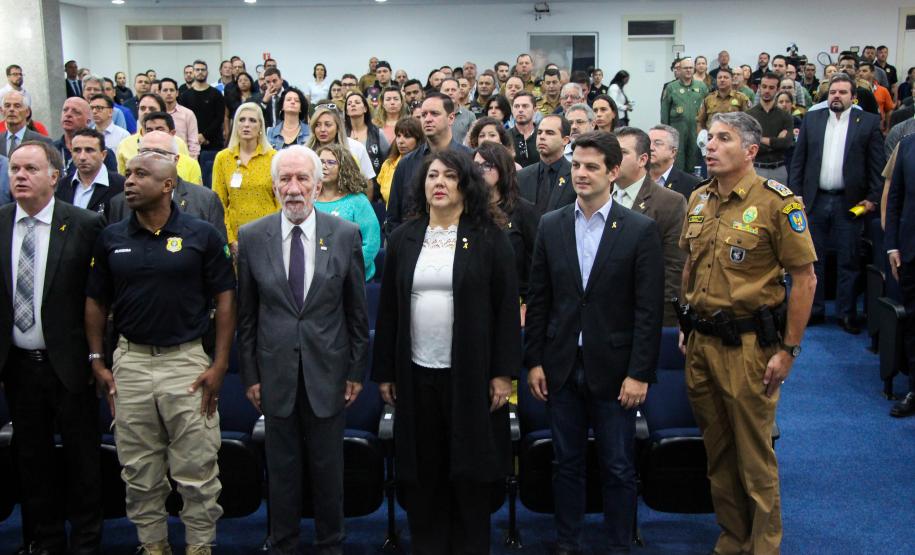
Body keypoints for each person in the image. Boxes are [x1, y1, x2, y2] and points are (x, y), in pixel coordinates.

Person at [679, 111, 817, 555]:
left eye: (724, 139)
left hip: (750, 347)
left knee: (754, 457)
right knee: (717, 453)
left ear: (751, 151)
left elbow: (805, 278)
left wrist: (790, 350)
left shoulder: (778, 203)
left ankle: (763, 546)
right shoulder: (699, 199)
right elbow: (690, 264)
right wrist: (687, 320)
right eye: (709, 138)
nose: (710, 146)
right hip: (701, 344)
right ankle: (732, 537)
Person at [85, 148, 236, 555]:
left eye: (140, 175)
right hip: (130, 363)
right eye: (128, 174)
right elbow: (96, 301)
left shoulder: (201, 234)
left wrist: (220, 363)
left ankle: (199, 547)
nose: (129, 181)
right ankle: (153, 547)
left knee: (197, 469)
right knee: (139, 471)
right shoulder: (111, 236)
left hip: (186, 363)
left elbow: (225, 298)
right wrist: (97, 360)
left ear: (168, 185)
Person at [373, 148, 520, 553]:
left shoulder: (489, 237)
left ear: (465, 185)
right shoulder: (404, 236)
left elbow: (507, 308)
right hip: (416, 374)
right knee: (424, 473)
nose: (439, 183)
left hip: (471, 377)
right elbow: (388, 310)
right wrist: (385, 371)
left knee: (469, 471)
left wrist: (503, 373)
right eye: (432, 176)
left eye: (449, 176)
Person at [525, 131, 664, 554]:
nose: (581, 174)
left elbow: (648, 311)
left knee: (618, 467)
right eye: (576, 166)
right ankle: (568, 543)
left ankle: (618, 544)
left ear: (614, 172)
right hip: (561, 365)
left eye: (591, 167)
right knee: (565, 464)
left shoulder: (640, 230)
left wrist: (640, 373)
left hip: (617, 369)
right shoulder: (551, 225)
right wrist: (534, 362)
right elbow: (540, 298)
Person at [235, 144, 367, 555]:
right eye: (285, 180)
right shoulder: (252, 236)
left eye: (302, 179)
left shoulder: (344, 234)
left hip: (329, 374)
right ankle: (283, 542)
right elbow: (247, 318)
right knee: (282, 471)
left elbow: (357, 313)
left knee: (329, 471)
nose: (294, 189)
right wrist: (252, 376)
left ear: (318, 182)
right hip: (274, 376)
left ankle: (332, 544)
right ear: (274, 187)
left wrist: (355, 372)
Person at [1, 141, 104, 555]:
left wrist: (99, 358)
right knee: (32, 459)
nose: (20, 176)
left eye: (30, 169)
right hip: (18, 366)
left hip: (71, 365)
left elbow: (99, 299)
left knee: (83, 461)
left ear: (53, 176)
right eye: (14, 169)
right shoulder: (1, 222)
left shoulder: (83, 224)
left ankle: (86, 542)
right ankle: (44, 540)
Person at [789, 73, 885, 330]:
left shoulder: (868, 123)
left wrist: (873, 199)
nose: (836, 96)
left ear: (853, 97)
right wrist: (796, 194)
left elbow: (878, 167)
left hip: (850, 203)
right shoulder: (812, 119)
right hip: (815, 200)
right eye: (833, 92)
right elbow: (798, 162)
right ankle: (815, 310)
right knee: (813, 260)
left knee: (849, 260)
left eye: (843, 92)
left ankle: (845, 312)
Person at [613, 126, 687, 325]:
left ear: (642, 159)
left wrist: (658, 321)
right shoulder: (598, 197)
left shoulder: (670, 202)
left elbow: (674, 269)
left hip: (645, 317)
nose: (613, 158)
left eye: (622, 153)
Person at [107, 131, 226, 240]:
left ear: (176, 159)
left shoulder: (205, 200)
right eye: (144, 152)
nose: (150, 159)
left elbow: (219, 254)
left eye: (159, 153)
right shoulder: (119, 203)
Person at [384, 92, 472, 234]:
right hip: (413, 245)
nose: (428, 119)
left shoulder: (470, 159)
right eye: (424, 115)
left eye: (434, 114)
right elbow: (394, 216)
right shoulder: (406, 163)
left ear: (451, 118)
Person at [474, 141, 537, 303]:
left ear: (502, 168)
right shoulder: (468, 209)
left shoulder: (524, 210)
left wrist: (527, 304)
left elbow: (536, 264)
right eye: (476, 166)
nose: (480, 171)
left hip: (515, 301)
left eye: (487, 165)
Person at [213, 102, 278, 254]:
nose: (246, 125)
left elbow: (280, 201)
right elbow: (218, 203)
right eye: (241, 120)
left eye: (252, 120)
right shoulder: (223, 158)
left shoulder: (274, 158)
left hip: (269, 236)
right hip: (235, 237)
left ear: (260, 126)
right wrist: (230, 240)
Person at [315, 143, 381, 280]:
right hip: (315, 280)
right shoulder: (309, 200)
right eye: (321, 162)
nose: (324, 166)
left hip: (352, 280)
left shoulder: (358, 201)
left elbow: (372, 241)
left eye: (331, 162)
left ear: (343, 168)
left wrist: (347, 268)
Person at [886, 132, 915, 417]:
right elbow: (894, 199)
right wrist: (892, 245)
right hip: (910, 252)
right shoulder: (907, 145)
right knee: (912, 324)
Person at [55, 127, 125, 216]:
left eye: (89, 150)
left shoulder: (120, 186)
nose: (82, 157)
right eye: (77, 150)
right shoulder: (61, 186)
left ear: (103, 155)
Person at [307, 104, 377, 189]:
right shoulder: (306, 153)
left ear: (338, 127)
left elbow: (368, 182)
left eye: (328, 125)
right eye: (317, 125)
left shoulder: (356, 148)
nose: (322, 129)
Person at [518, 114, 574, 217]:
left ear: (565, 140)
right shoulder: (521, 176)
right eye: (539, 132)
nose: (542, 137)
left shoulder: (575, 175)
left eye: (550, 133)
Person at [660, 57, 708, 171]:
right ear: (679, 70)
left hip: (696, 130)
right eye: (685, 68)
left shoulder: (701, 87)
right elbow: (664, 110)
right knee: (678, 159)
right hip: (677, 129)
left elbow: (708, 108)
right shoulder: (671, 87)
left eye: (691, 68)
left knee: (695, 157)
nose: (688, 70)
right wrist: (665, 132)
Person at [746, 72, 795, 183]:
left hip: (779, 170)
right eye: (764, 87)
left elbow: (786, 143)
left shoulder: (785, 116)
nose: (767, 90)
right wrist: (775, 141)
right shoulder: (749, 115)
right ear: (759, 88)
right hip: (755, 168)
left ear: (777, 90)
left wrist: (759, 139)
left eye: (771, 87)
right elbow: (748, 144)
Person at [180, 60, 226, 153]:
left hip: (213, 143)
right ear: (193, 72)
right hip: (191, 143)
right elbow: (183, 119)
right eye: (197, 70)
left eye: (203, 70)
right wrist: (195, 137)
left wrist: (204, 136)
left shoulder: (216, 94)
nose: (200, 72)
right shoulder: (185, 96)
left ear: (207, 72)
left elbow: (219, 118)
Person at [377, 116, 424, 206]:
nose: (400, 141)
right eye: (398, 136)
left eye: (407, 136)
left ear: (418, 139)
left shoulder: (425, 165)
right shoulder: (388, 165)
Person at [648, 124, 702, 199]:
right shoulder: (635, 178)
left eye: (657, 143)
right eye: (647, 143)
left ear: (673, 152)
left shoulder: (691, 185)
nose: (650, 148)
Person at [344, 90, 389, 177]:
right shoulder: (341, 134)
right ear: (346, 111)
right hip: (348, 183)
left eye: (357, 102)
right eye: (349, 104)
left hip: (374, 183)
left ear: (365, 108)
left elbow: (387, 160)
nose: (353, 105)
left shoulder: (378, 133)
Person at [0, 91, 53, 157]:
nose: (11, 109)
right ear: (1, 111)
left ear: (27, 112)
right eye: (7, 106)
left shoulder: (42, 142)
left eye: (17, 106)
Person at [158, 78, 200, 159]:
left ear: (177, 93)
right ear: (159, 93)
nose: (169, 93)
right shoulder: (155, 115)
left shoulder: (188, 114)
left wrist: (192, 162)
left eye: (172, 90)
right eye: (165, 90)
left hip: (183, 160)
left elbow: (193, 143)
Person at [696, 68, 750, 132]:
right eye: (719, 77)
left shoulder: (741, 98)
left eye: (726, 77)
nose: (722, 80)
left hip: (732, 138)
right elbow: (700, 122)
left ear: (732, 80)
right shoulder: (708, 99)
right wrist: (702, 135)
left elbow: (748, 122)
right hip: (712, 138)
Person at [440, 78, 477, 145]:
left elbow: (473, 142)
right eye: (447, 90)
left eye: (453, 90)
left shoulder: (469, 116)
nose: (450, 93)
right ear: (440, 93)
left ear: (459, 93)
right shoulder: (434, 115)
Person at [509, 92, 539, 168]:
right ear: (512, 110)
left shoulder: (543, 135)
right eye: (516, 106)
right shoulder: (504, 137)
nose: (520, 110)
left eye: (525, 106)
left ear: (535, 109)